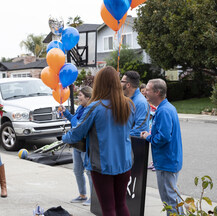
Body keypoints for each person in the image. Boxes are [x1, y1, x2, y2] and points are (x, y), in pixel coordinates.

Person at [62, 66, 135, 216]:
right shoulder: (128, 104)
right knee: (121, 204)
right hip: (124, 161)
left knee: (108, 209)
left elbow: (76, 133)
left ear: (99, 84)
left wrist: (64, 137)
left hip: (102, 164)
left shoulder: (95, 107)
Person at [140, 79, 183, 215]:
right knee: (173, 197)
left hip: (166, 162)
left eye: (148, 89)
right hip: (170, 160)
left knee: (169, 199)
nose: (145, 92)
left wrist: (148, 136)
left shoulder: (164, 110)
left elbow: (164, 137)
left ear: (157, 92)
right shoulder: (168, 107)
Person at [60, 86, 93, 206]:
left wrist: (66, 137)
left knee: (89, 171)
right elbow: (74, 120)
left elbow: (79, 126)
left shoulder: (89, 110)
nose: (78, 98)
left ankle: (93, 197)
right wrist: (66, 112)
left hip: (85, 144)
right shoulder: (80, 108)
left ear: (88, 98)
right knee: (77, 170)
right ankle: (82, 194)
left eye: (80, 96)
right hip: (77, 144)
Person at [121, 71, 150, 137]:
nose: (120, 84)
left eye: (122, 81)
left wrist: (121, 136)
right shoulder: (127, 99)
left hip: (136, 144)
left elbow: (140, 130)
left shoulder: (141, 102)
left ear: (128, 85)